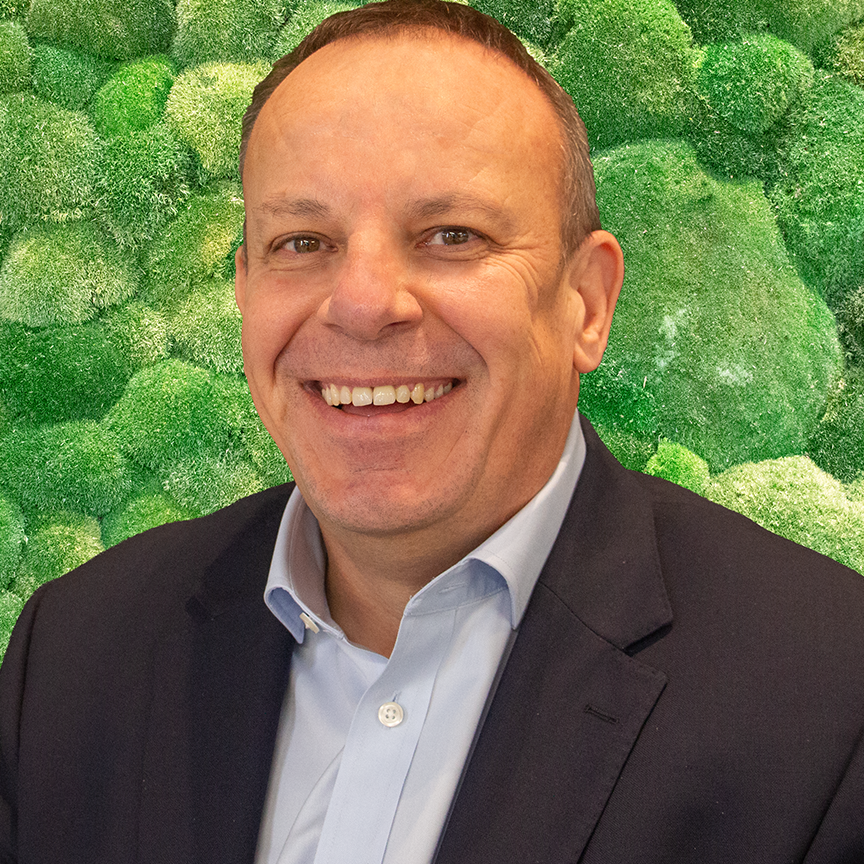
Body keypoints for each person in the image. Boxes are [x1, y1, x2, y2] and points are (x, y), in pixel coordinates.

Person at [2, 2, 864, 862]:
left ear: (587, 303)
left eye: (453, 235)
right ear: (243, 288)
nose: (366, 303)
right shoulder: (71, 655)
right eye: (302, 241)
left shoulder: (830, 699)